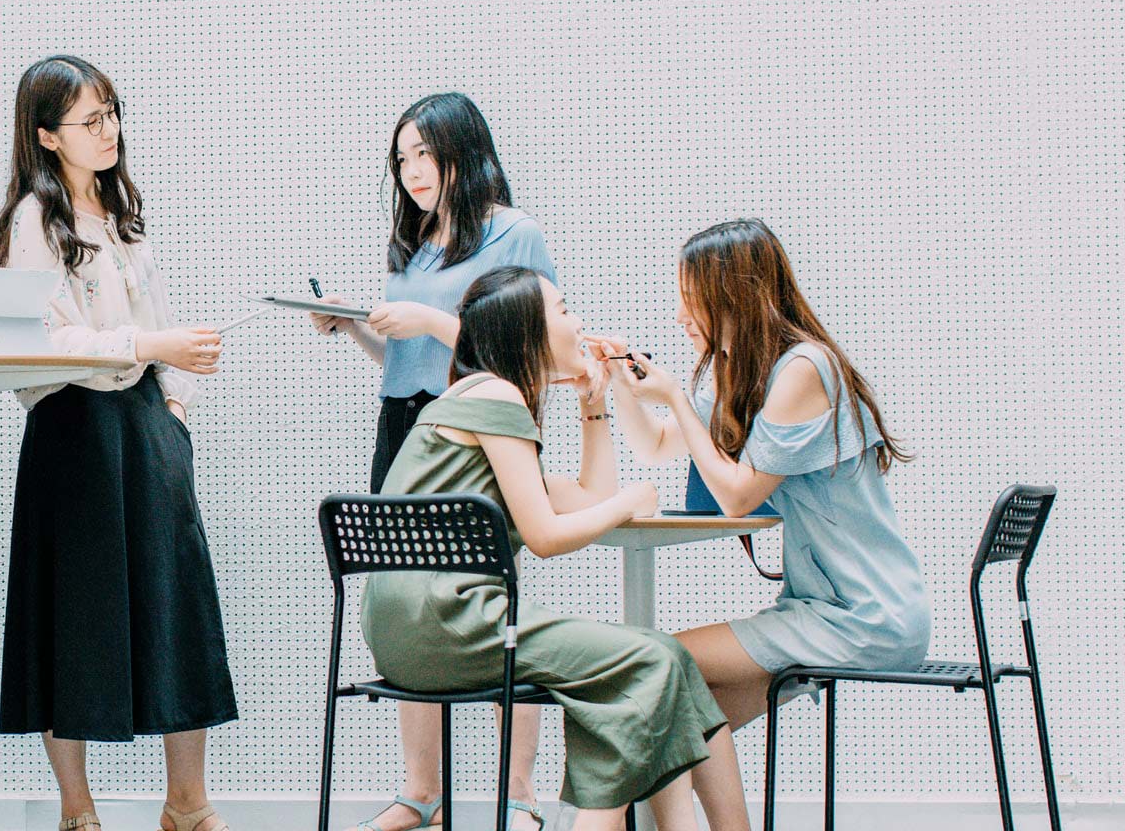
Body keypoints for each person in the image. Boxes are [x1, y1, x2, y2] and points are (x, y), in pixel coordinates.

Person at [360, 266, 746, 831]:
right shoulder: (497, 395)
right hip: (451, 622)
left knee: (670, 663)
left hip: (409, 627)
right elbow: (546, 536)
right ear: (527, 331)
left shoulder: (471, 396)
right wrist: (634, 500)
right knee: (650, 661)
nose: (578, 322)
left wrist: (594, 405)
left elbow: (590, 495)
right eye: (564, 310)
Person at [606, 218, 928, 825]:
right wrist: (623, 388)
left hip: (865, 615)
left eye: (688, 297)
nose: (680, 315)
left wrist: (677, 396)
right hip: (822, 607)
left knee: (663, 661)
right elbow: (654, 446)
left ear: (730, 294)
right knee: (683, 707)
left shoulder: (805, 368)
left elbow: (736, 498)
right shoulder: (754, 374)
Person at [0, 55, 237, 831]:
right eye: (89, 120)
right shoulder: (36, 217)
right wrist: (155, 345)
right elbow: (47, 343)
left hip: (145, 425)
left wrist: (174, 408)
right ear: (45, 135)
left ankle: (188, 805)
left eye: (113, 113)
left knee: (177, 605)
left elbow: (155, 324)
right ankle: (78, 811)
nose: (109, 131)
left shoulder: (121, 211)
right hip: (77, 433)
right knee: (76, 613)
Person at [311, 93, 554, 831]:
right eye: (402, 158)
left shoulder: (514, 233)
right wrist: (357, 328)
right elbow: (407, 358)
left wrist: (429, 318)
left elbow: (534, 348)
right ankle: (423, 792)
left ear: (464, 150)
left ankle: (519, 797)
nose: (413, 171)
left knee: (491, 593)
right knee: (410, 596)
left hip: (482, 423)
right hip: (405, 425)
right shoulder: (415, 244)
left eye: (426, 154)